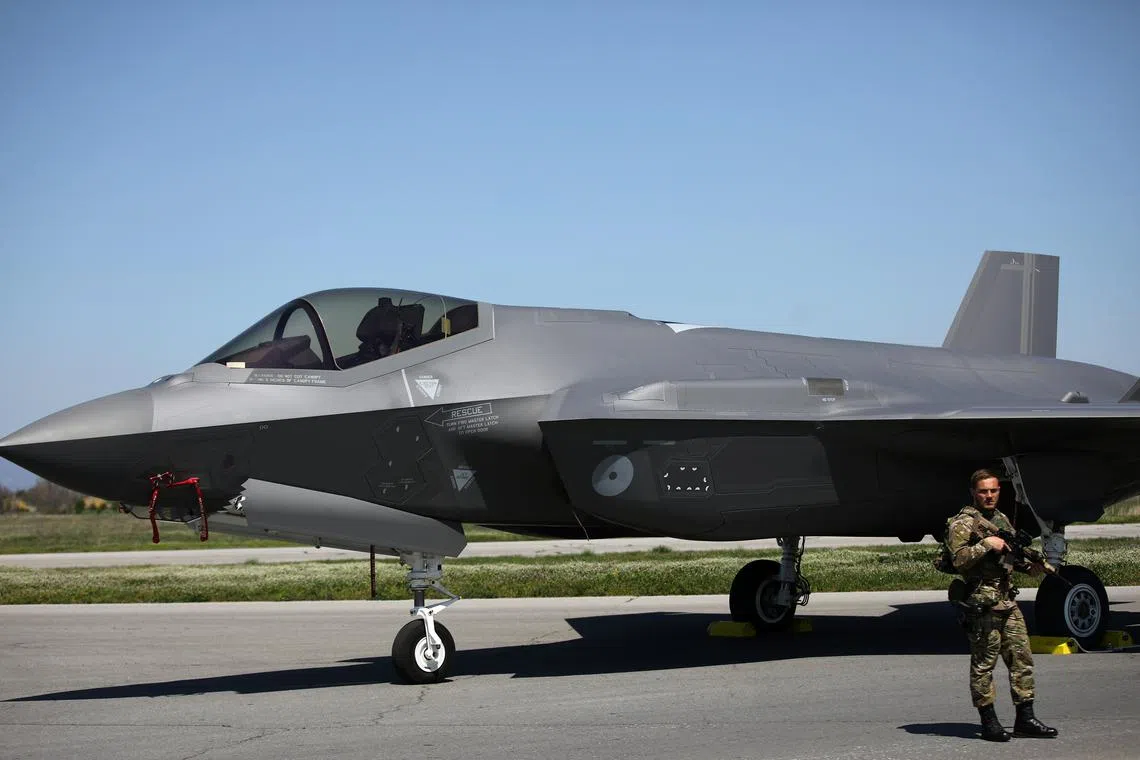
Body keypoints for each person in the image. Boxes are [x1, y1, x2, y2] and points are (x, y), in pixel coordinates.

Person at [946, 468, 1059, 742]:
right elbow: (958, 560)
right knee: (984, 665)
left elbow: (1007, 557)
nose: (989, 496)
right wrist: (986, 543)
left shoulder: (1001, 519)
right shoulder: (961, 523)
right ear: (974, 492)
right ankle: (989, 722)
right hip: (982, 604)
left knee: (1022, 659)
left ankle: (1026, 718)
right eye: (983, 491)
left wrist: (1028, 567)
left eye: (994, 490)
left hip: (1007, 601)